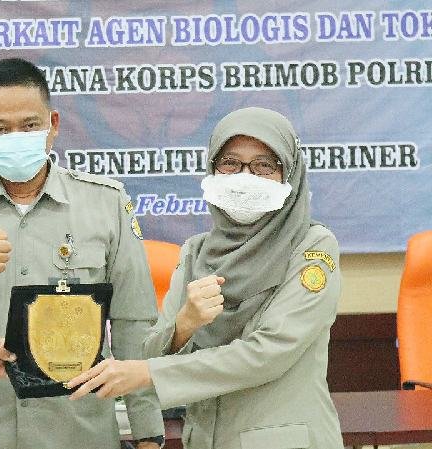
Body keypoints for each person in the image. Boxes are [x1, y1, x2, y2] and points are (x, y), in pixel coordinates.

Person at [0, 58, 165, 449]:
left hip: (79, 436)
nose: (16, 137)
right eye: (0, 129)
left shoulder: (105, 203)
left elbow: (134, 326)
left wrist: (148, 433)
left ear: (53, 125)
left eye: (29, 126)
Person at [68, 107, 344, 449]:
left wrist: (149, 373)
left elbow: (268, 353)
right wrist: (184, 324)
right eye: (230, 163)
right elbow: (151, 350)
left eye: (264, 165)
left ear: (289, 173)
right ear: (212, 168)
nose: (245, 176)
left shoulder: (312, 248)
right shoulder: (196, 252)